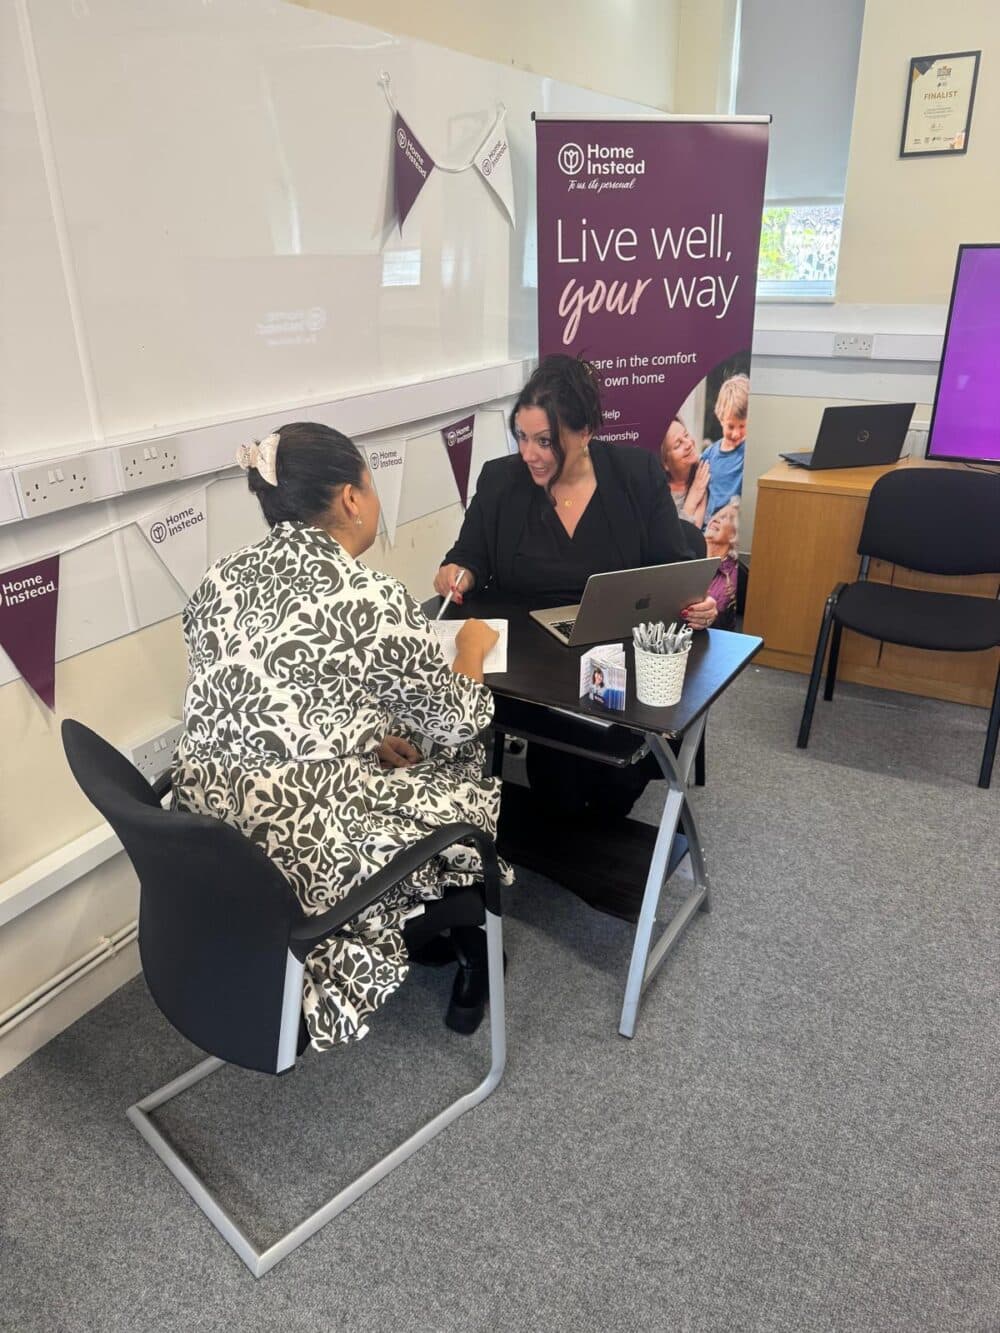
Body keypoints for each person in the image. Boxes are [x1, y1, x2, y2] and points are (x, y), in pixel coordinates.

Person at [172, 423, 507, 1048]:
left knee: (400, 743)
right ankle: (469, 939)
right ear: (352, 498)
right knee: (459, 760)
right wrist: (471, 646)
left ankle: (436, 924)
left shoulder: (220, 576)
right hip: (300, 859)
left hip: (206, 847)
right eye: (371, 484)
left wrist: (361, 730)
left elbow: (265, 695)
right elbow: (460, 716)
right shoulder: (369, 595)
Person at [434, 355, 719, 817]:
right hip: (530, 669)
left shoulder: (636, 475)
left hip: (617, 656)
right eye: (522, 437)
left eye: (545, 441)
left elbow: (674, 570)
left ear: (585, 433)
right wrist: (456, 571)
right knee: (557, 781)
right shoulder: (501, 479)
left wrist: (698, 604)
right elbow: (468, 556)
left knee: (609, 781)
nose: (529, 454)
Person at [702, 372, 749, 521]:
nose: (736, 434)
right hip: (711, 526)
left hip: (735, 528)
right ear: (720, 418)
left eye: (742, 426)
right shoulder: (709, 455)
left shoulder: (749, 452)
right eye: (730, 426)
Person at [660, 416, 710, 529]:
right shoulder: (658, 491)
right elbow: (671, 541)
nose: (688, 444)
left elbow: (693, 537)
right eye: (678, 445)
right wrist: (692, 499)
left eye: (686, 435)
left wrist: (697, 490)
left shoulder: (700, 478)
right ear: (665, 463)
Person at [704, 499, 741, 630]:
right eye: (718, 514)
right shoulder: (688, 554)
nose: (717, 518)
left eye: (726, 517)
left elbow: (720, 618)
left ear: (734, 534)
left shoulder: (734, 575)